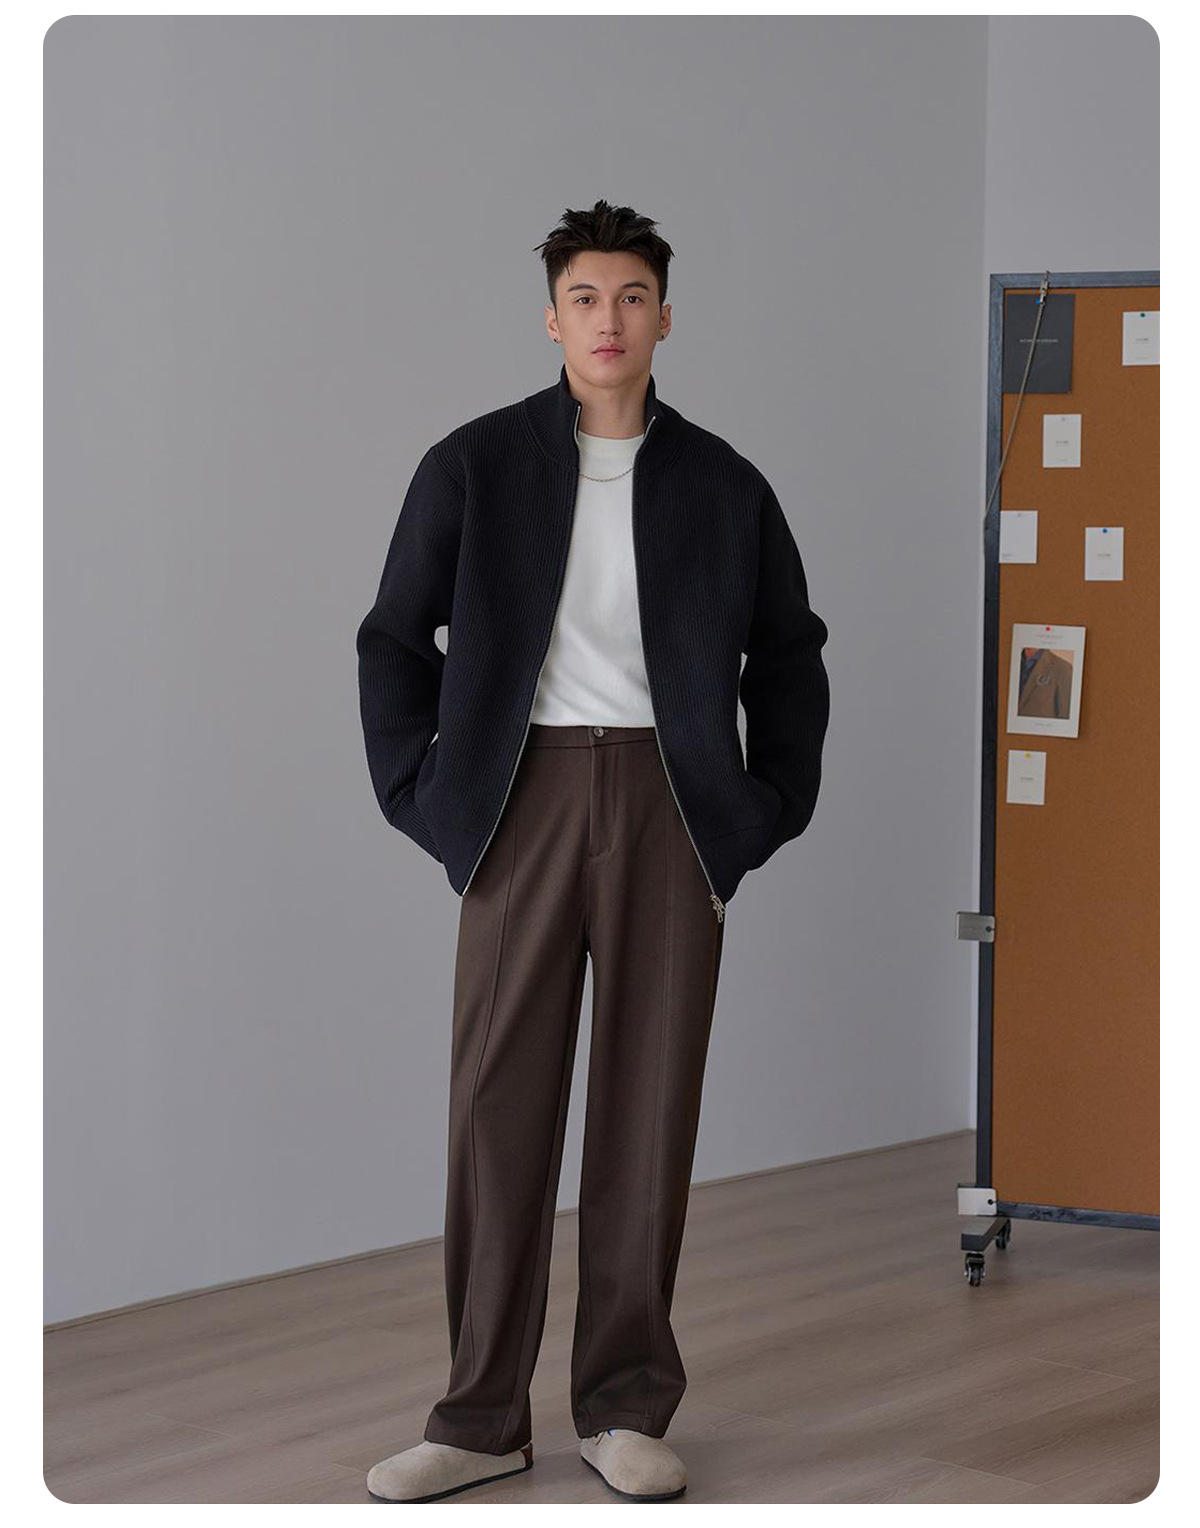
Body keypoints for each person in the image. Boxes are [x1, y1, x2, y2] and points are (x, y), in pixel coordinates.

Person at [356, 200, 831, 1503]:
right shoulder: (474, 466)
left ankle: (624, 1407)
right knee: (495, 1111)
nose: (607, 320)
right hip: (521, 803)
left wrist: (762, 806)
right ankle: (478, 1417)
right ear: (551, 317)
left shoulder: (724, 485)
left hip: (674, 808)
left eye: (630, 297)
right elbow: (392, 638)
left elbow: (791, 654)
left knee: (647, 1109)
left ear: (664, 316)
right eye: (584, 298)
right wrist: (427, 797)